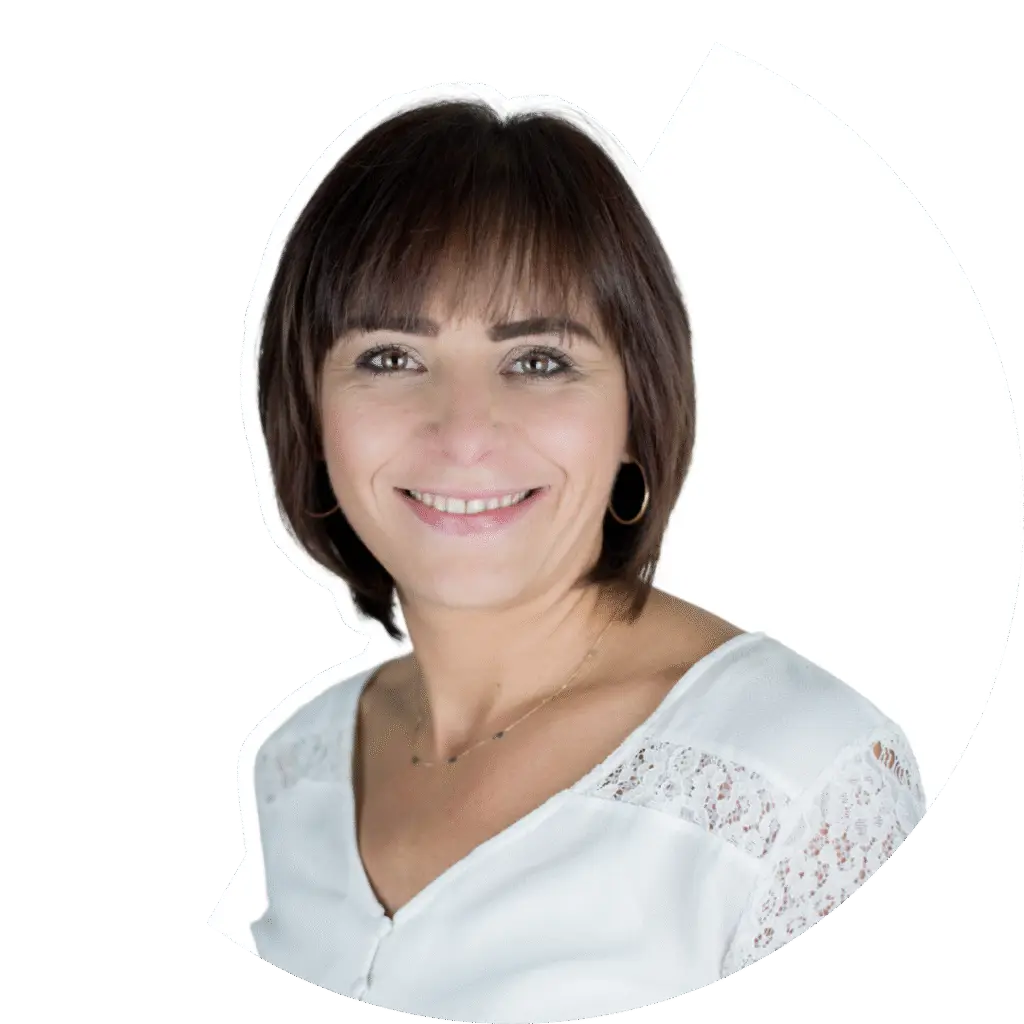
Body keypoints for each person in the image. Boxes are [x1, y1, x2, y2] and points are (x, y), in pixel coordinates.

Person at [247, 97, 927, 1023]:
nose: (463, 433)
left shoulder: (802, 784)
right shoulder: (300, 772)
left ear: (637, 411)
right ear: (310, 413)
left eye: (537, 361)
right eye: (392, 358)